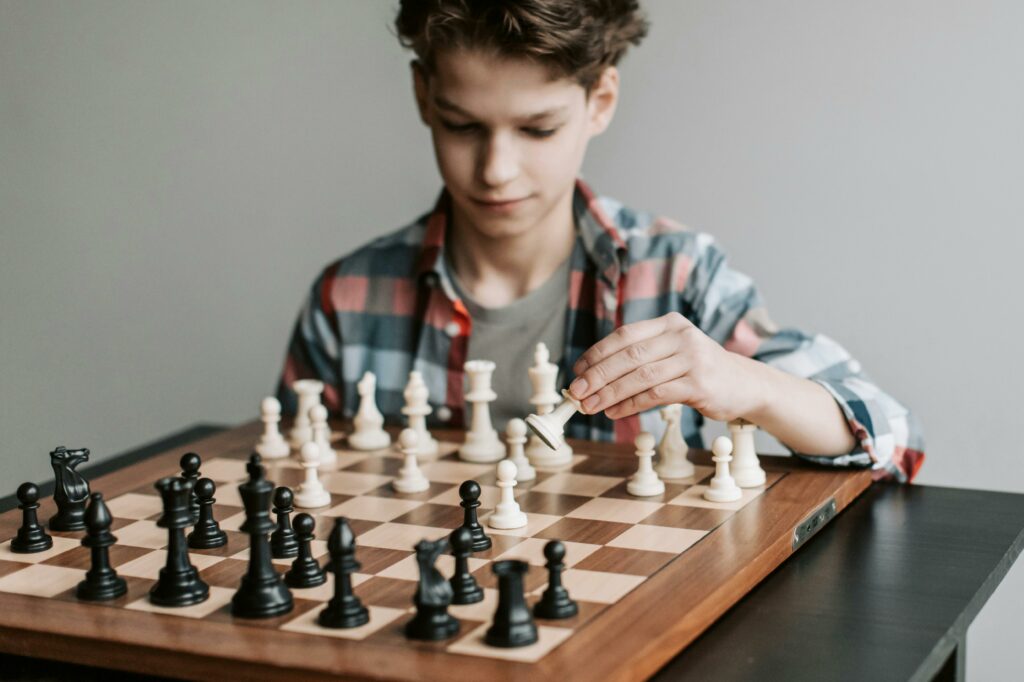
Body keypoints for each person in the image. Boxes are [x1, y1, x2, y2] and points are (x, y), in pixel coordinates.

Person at [276, 0, 925, 482]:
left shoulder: (680, 275)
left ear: (601, 100)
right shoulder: (348, 296)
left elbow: (896, 437)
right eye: (462, 125)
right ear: (424, 97)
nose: (497, 169)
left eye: (537, 129)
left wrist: (745, 383)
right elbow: (286, 476)